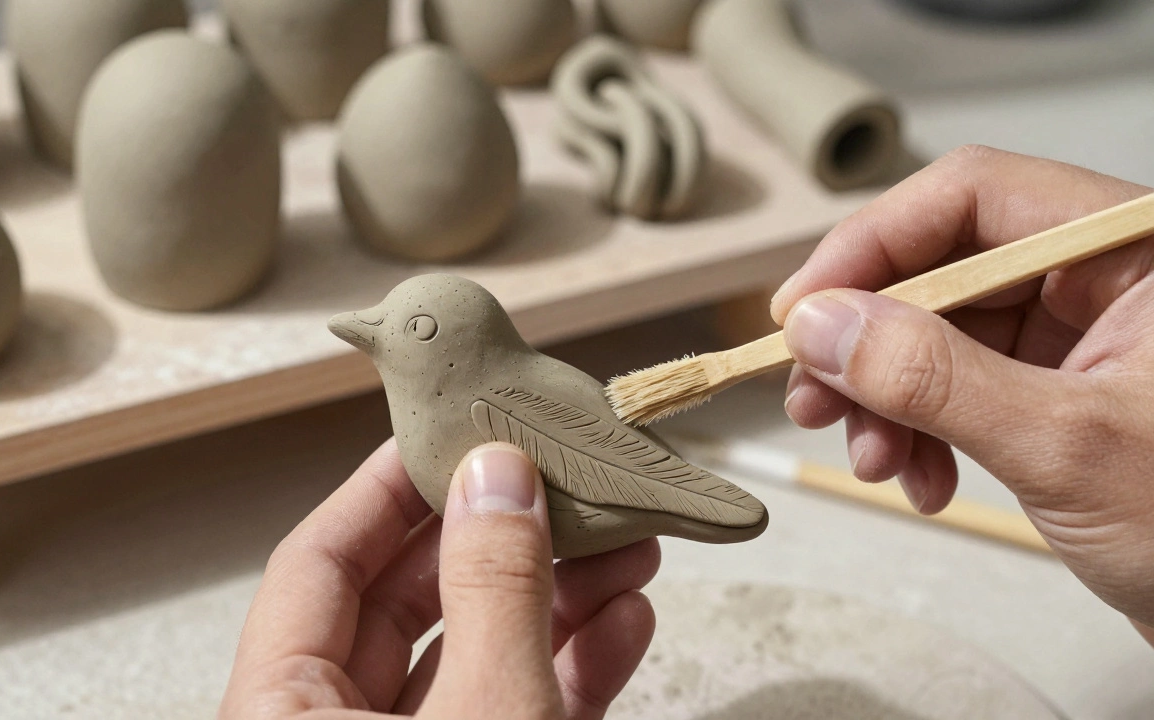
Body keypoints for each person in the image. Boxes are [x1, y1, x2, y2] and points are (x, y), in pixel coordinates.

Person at [220, 147, 1154, 717]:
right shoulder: (474, 398)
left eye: (413, 326)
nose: (382, 334)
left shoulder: (496, 404)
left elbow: (597, 460)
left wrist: (673, 496)